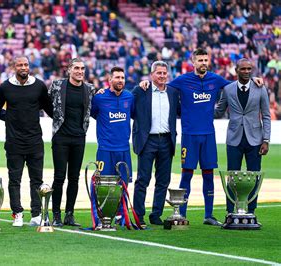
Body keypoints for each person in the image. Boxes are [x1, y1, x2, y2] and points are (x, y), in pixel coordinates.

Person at [139, 48, 263, 225]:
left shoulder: (216, 79)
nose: (204, 63)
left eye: (206, 60)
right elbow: (161, 85)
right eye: (200, 60)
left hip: (208, 135)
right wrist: (145, 83)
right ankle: (180, 213)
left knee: (208, 174)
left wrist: (253, 79)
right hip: (189, 135)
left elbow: (237, 85)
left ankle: (209, 216)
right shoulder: (182, 81)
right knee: (186, 175)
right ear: (193, 62)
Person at [0, 55, 53, 227]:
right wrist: (10, 118)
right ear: (14, 67)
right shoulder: (5, 87)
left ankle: (36, 214)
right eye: (20, 65)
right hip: (14, 142)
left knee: (37, 180)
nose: (23, 67)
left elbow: (49, 109)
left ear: (29, 66)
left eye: (26, 64)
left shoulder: (39, 86)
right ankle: (17, 213)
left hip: (35, 141)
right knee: (15, 180)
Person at [214, 58, 270, 215]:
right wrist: (198, 107)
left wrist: (266, 140)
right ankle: (230, 210)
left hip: (256, 140)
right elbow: (218, 111)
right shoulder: (228, 89)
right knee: (232, 176)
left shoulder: (260, 88)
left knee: (254, 176)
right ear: (236, 70)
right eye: (243, 69)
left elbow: (266, 116)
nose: (246, 72)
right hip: (234, 139)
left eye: (249, 69)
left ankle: (251, 211)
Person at [131, 61, 179, 226]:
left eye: (164, 73)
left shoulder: (172, 92)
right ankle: (139, 215)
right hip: (147, 140)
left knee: (163, 180)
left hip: (166, 140)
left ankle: (156, 214)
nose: (162, 76)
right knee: (143, 179)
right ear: (151, 75)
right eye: (159, 73)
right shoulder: (141, 90)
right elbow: (130, 110)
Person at [48, 58, 94, 227]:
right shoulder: (58, 85)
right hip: (61, 137)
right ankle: (56, 215)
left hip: (79, 138)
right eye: (76, 68)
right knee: (59, 177)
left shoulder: (90, 89)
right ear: (69, 70)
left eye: (82, 68)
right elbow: (46, 103)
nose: (80, 71)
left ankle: (69, 214)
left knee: (74, 178)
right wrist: (56, 121)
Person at [90, 66, 134, 229]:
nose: (120, 80)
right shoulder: (99, 98)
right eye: (117, 77)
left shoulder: (129, 97)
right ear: (110, 80)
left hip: (124, 149)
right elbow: (94, 113)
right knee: (101, 185)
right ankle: (101, 216)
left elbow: (134, 114)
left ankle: (121, 216)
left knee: (123, 185)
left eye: (122, 77)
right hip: (105, 149)